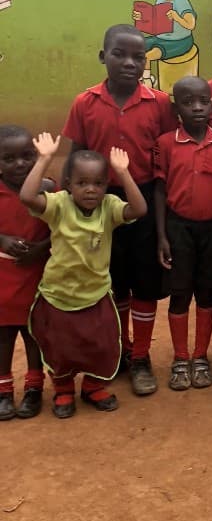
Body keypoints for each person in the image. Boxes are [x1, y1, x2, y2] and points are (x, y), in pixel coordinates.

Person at [62, 24, 176, 397]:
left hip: (140, 201)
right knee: (109, 282)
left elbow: (165, 160)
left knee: (143, 281)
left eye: (138, 57)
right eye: (119, 54)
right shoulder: (85, 103)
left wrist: (163, 222)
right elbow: (76, 154)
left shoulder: (159, 104)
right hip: (96, 203)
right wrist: (71, 207)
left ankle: (141, 356)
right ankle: (118, 350)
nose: (130, 63)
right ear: (103, 56)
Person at [21, 134, 147, 418]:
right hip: (59, 294)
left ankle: (93, 387)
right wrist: (44, 159)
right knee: (60, 347)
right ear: (67, 185)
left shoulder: (110, 206)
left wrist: (124, 173)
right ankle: (63, 390)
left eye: (98, 183)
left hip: (97, 294)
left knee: (101, 345)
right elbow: (28, 197)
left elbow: (139, 209)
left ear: (106, 185)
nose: (91, 190)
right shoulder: (58, 205)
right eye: (82, 183)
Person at [154, 77, 212, 391]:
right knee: (179, 292)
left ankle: (200, 356)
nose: (198, 107)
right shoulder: (165, 143)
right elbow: (160, 191)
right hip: (178, 228)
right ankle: (180, 357)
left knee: (206, 291)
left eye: (204, 100)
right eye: (189, 102)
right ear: (176, 107)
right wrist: (161, 235)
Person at [0, 126, 52, 420]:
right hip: (4, 278)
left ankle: (34, 388)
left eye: (27, 156)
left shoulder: (48, 189)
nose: (20, 164)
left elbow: (63, 228)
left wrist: (41, 248)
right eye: (9, 158)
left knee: (34, 334)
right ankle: (4, 390)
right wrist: (3, 240)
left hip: (36, 275)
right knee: (4, 336)